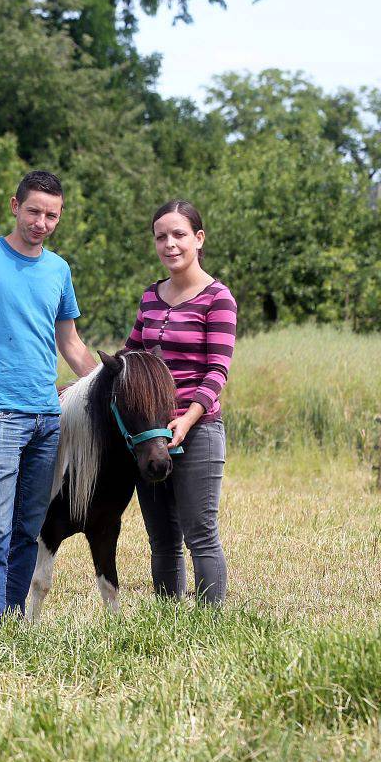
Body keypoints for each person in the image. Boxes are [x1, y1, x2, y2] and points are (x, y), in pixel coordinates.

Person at [0, 170, 97, 617]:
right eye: (33, 211)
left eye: (51, 215)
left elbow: (70, 343)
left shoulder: (58, 269)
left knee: (29, 527)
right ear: (14, 206)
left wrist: (108, 381)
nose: (41, 222)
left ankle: (9, 619)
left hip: (48, 416)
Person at [124, 199, 235, 604]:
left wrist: (187, 420)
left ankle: (209, 625)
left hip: (198, 429)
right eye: (161, 237)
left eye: (179, 235)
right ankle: (170, 626)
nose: (169, 244)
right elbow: (130, 359)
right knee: (162, 539)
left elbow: (217, 372)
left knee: (200, 534)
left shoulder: (218, 298)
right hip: (150, 433)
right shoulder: (150, 298)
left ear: (198, 239)